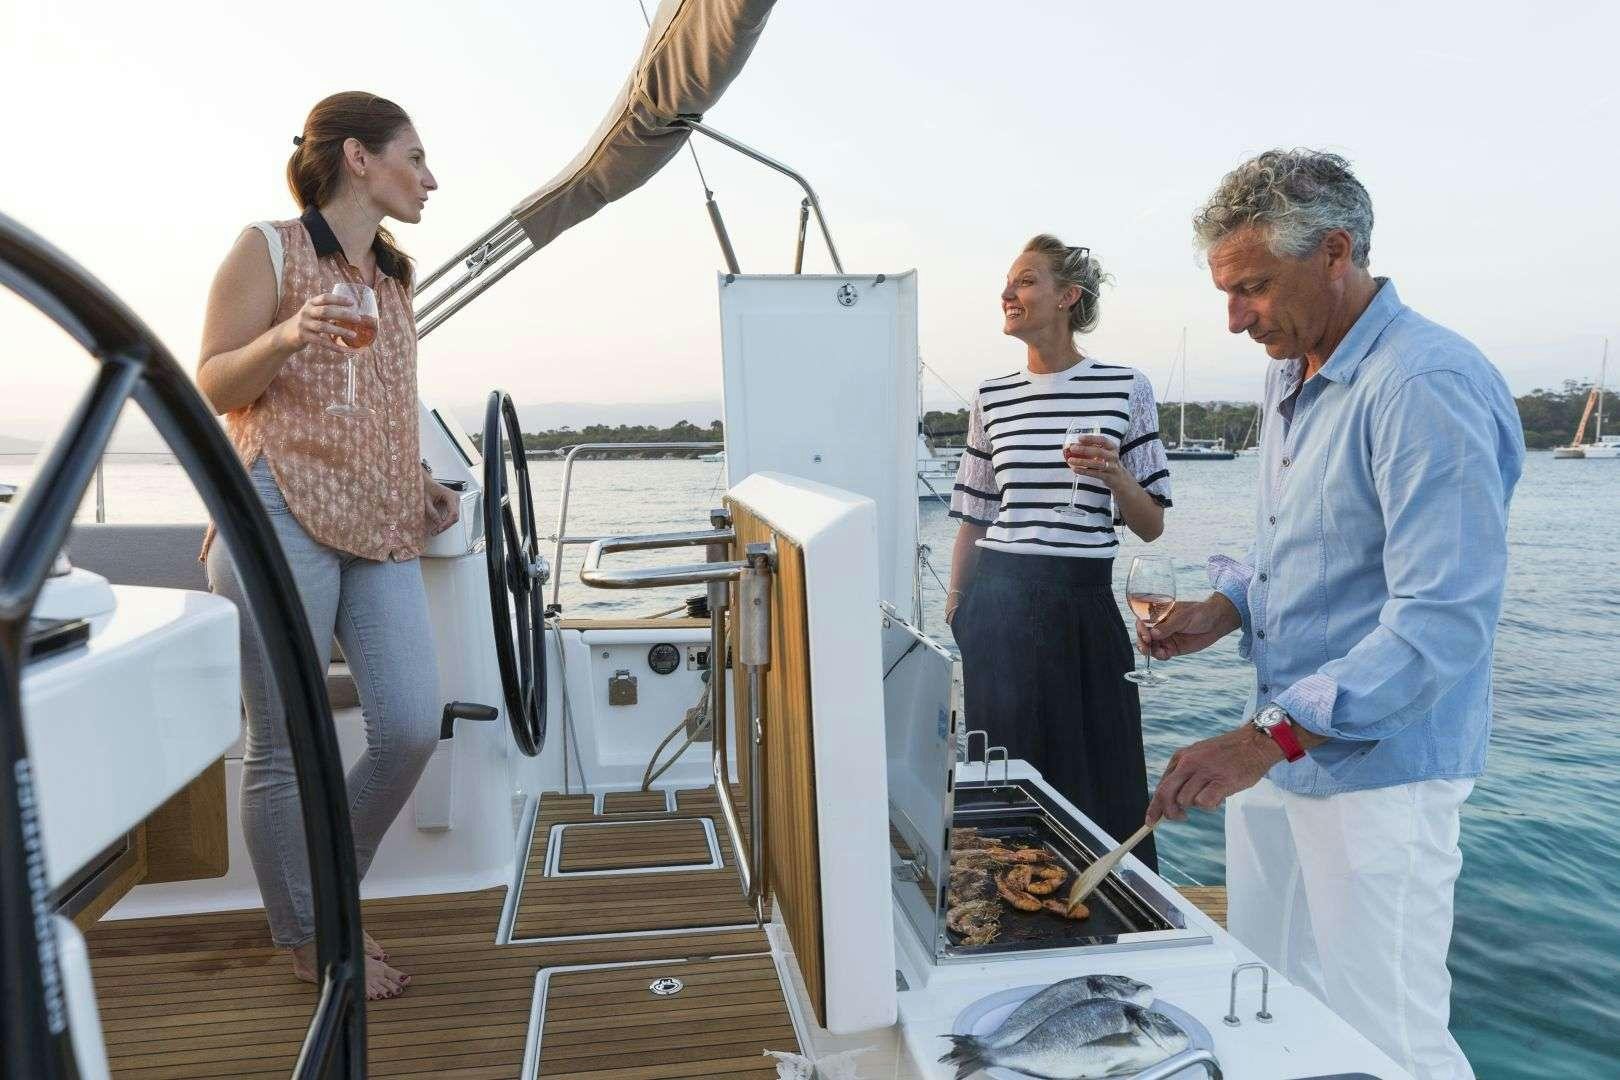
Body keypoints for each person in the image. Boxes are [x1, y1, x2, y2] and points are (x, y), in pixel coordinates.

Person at [1139, 150, 1524, 1079]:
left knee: (1390, 1038)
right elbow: (1292, 547)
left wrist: (1261, 740)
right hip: (1286, 746)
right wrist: (1225, 607)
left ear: (1337, 253)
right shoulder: (1288, 374)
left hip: (1375, 771)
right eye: (1227, 291)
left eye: (1254, 288)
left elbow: (1440, 624)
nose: (1234, 319)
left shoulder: (1424, 385)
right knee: (1271, 993)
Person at [197, 91, 459, 1000]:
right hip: (277, 511)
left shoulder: (394, 277)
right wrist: (287, 332)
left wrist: (420, 480)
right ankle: (311, 935)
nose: (430, 178)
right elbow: (213, 382)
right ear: (358, 157)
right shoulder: (268, 248)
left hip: (378, 522)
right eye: (416, 158)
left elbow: (382, 404)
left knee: (411, 725)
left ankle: (330, 898)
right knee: (284, 743)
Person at [947, 235, 1172, 869]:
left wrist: (1117, 478)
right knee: (1002, 766)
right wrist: (958, 608)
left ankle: (1109, 899)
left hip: (1082, 600)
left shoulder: (1127, 387)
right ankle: (1000, 900)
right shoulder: (991, 396)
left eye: (1025, 282)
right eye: (1008, 283)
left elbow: (1151, 525)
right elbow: (973, 517)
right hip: (996, 597)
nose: (1007, 294)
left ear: (1068, 296)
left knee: (1101, 763)